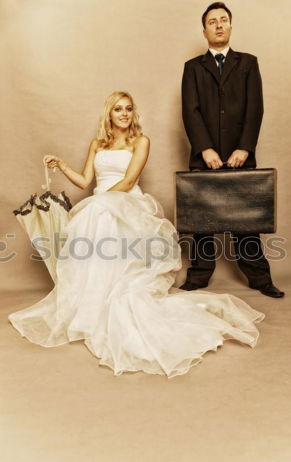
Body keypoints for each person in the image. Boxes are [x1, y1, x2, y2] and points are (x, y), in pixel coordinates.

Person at [8, 91, 265, 378]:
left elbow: (129, 180)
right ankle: (92, 306)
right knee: (95, 224)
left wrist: (98, 201)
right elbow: (85, 180)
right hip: (101, 204)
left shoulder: (141, 142)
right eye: (118, 109)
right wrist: (62, 165)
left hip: (127, 202)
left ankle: (123, 301)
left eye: (128, 109)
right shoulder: (97, 144)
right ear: (109, 114)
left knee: (98, 213)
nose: (124, 114)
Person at [180, 2, 284, 299]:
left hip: (240, 155)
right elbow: (191, 111)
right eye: (212, 21)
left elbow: (255, 108)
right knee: (201, 222)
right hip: (205, 157)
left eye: (223, 20)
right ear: (205, 31)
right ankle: (198, 277)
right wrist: (205, 149)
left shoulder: (249, 63)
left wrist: (244, 148)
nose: (219, 25)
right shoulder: (192, 68)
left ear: (230, 26)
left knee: (246, 222)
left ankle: (260, 279)